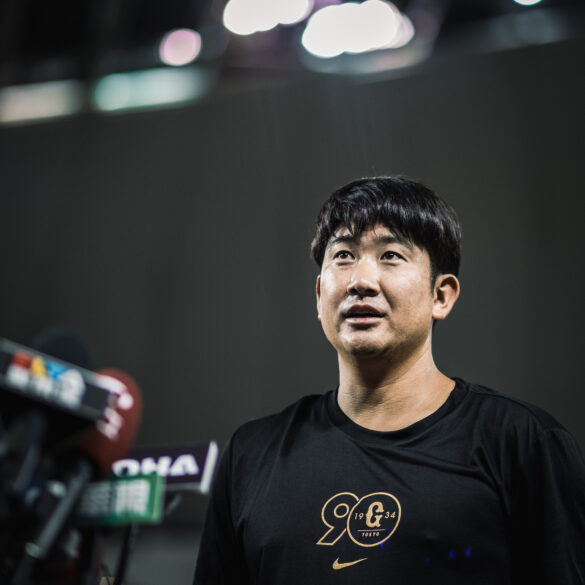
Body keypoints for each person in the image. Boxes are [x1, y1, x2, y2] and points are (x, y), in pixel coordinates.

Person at [193, 176, 585, 584]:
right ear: (319, 294)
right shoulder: (251, 455)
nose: (360, 281)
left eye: (391, 255)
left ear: (441, 296)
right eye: (343, 255)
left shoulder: (523, 444)